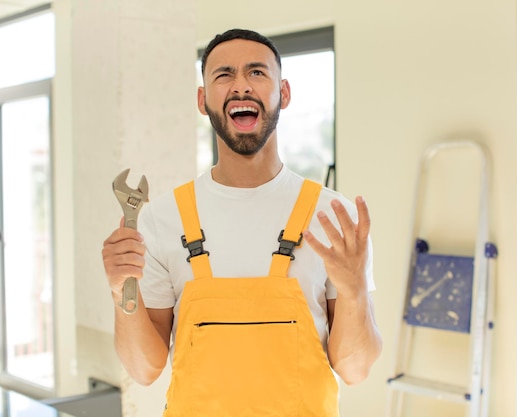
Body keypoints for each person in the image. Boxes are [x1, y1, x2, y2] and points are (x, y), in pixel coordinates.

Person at [102, 28, 382, 416]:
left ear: (283, 93)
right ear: (203, 100)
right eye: (223, 75)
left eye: (256, 73)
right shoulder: (161, 220)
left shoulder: (333, 218)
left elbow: (355, 368)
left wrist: (353, 293)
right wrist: (121, 293)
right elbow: (144, 369)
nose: (241, 87)